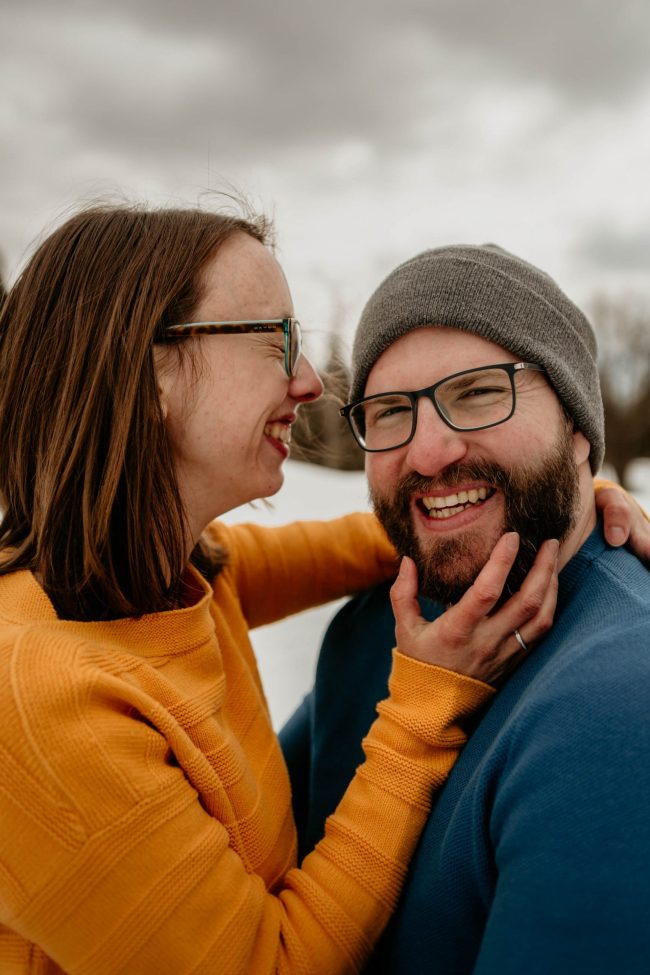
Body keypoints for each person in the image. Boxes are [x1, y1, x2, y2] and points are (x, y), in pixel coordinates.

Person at [0, 207, 576, 974]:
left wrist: (551, 490)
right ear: (150, 369)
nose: (309, 383)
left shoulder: (175, 575)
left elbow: (356, 542)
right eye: (277, 341)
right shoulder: (33, 704)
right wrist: (426, 705)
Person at [281, 243, 650, 974]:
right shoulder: (383, 624)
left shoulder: (619, 703)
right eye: (390, 411)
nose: (429, 453)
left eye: (480, 392)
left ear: (580, 427)